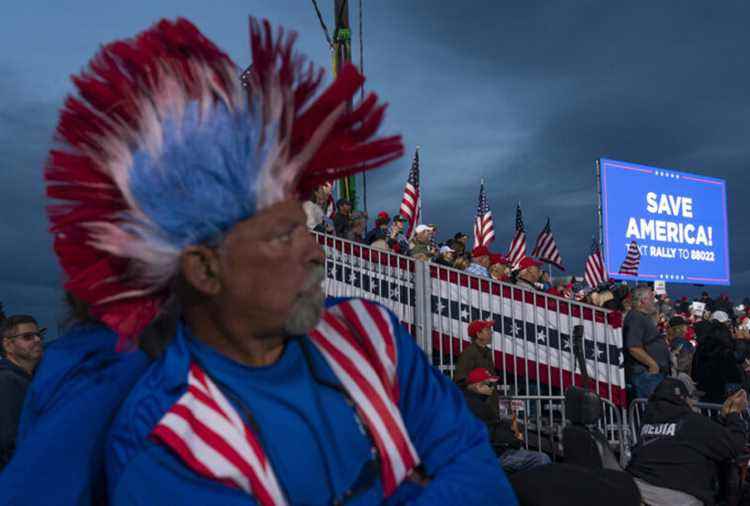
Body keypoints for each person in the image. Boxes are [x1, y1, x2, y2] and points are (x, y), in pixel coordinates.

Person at [3, 18, 516, 505]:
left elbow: (476, 469)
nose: (315, 250)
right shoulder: (137, 408)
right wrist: (408, 482)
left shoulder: (365, 330)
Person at [627, 377, 748, 505]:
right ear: (684, 398)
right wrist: (733, 415)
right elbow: (734, 445)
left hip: (636, 489)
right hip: (676, 497)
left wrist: (721, 416)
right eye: (691, 398)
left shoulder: (648, 421)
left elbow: (693, 437)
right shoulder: (691, 422)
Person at [461, 368, 550, 474]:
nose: (493, 388)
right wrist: (514, 436)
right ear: (478, 386)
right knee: (541, 459)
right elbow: (489, 434)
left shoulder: (468, 402)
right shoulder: (475, 406)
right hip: (488, 456)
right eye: (490, 384)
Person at [0, 315, 44, 470]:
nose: (37, 340)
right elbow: (9, 441)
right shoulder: (6, 381)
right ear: (8, 345)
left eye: (39, 335)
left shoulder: (33, 379)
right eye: (27, 337)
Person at [624, 287, 669, 399]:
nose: (654, 301)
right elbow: (633, 347)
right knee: (652, 410)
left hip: (651, 374)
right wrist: (653, 365)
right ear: (643, 300)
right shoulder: (636, 317)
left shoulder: (642, 317)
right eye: (652, 298)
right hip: (646, 375)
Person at [454, 320, 496, 385]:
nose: (491, 333)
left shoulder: (487, 351)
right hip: (476, 394)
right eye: (487, 330)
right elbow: (460, 379)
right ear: (478, 334)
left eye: (490, 330)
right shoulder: (469, 353)